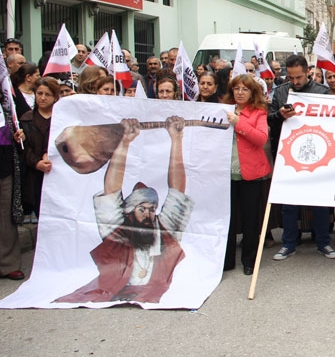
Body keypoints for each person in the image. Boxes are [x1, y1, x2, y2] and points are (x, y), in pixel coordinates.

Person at [55, 116, 194, 303]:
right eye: (142, 209)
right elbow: (112, 190)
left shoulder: (165, 232)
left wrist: (176, 139)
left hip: (158, 294)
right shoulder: (117, 233)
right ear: (129, 211)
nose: (148, 214)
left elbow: (177, 191)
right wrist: (125, 142)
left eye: (152, 209)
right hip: (115, 293)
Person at [270, 55, 335, 261]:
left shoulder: (322, 92)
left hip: (318, 152)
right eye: (291, 77)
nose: (295, 82)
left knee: (319, 201)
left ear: (308, 72)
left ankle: (323, 242)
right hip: (288, 154)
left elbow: (333, 120)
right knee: (289, 203)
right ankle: (289, 243)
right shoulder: (281, 92)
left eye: (299, 77)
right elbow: (270, 119)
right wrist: (279, 115)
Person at [222, 75, 272, 275]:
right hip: (226, 173)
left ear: (252, 92)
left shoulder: (258, 112)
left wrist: (238, 123)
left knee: (251, 219)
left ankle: (249, 260)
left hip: (250, 173)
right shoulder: (223, 109)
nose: (240, 92)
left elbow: (261, 138)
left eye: (245, 89)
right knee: (228, 218)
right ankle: (227, 259)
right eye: (236, 88)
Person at [20, 77, 59, 224]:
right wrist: (37, 163)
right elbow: (24, 149)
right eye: (39, 93)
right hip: (35, 176)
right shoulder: (27, 119)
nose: (42, 98)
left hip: (57, 174)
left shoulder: (60, 118)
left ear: (55, 97)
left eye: (47, 94)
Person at [0, 79, 25, 281]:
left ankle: (8, 264)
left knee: (6, 215)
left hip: (5, 165)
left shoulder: (7, 110)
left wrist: (18, 137)